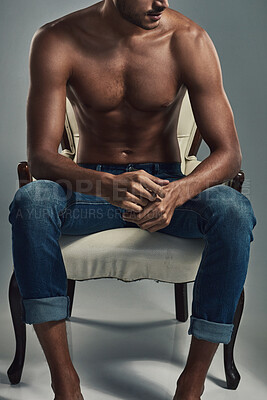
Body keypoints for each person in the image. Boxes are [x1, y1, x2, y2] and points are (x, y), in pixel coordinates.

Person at [8, 1, 256, 399]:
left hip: (165, 186)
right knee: (33, 202)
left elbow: (229, 154)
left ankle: (191, 384)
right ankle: (64, 381)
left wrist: (178, 192)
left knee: (233, 210)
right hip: (90, 189)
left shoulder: (188, 40)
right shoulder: (58, 38)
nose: (162, 2)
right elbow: (41, 157)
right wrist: (106, 185)